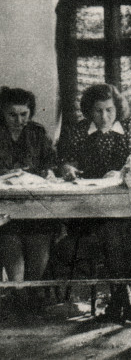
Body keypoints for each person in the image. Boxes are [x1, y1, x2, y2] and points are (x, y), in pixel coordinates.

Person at [57, 84, 131, 323]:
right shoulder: (79, 130)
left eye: (109, 110)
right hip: (90, 209)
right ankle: (123, 299)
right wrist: (68, 168)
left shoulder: (129, 126)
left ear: (118, 109)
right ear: (89, 111)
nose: (104, 116)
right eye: (98, 111)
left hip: (125, 205)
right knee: (110, 231)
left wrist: (121, 173)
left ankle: (117, 301)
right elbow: (66, 161)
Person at [0, 86, 57, 311]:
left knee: (40, 234)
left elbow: (50, 162)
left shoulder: (37, 133)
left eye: (24, 114)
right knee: (9, 236)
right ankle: (18, 293)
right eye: (12, 115)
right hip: (4, 207)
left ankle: (33, 292)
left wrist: (50, 172)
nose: (19, 120)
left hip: (34, 204)